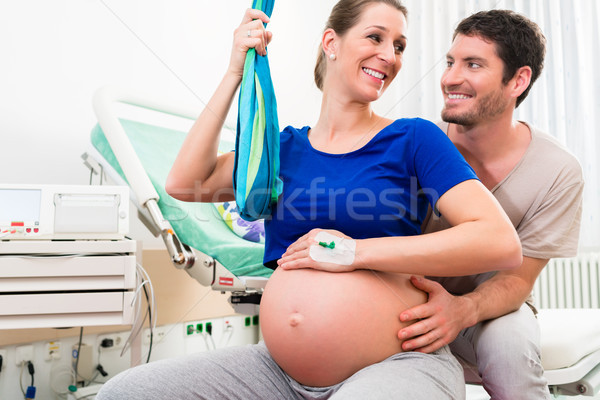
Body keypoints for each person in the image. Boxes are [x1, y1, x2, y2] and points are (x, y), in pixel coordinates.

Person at [97, 1, 522, 399]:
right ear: (331, 42)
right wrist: (234, 72)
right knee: (124, 393)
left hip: (398, 361)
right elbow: (186, 181)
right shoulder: (279, 151)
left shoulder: (413, 138)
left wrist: (351, 252)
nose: (390, 56)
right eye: (375, 38)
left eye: (399, 46)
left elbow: (498, 241)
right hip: (278, 372)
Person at [397, 10, 584, 400]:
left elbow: (517, 280)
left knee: (510, 351)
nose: (450, 77)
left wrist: (462, 311)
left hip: (488, 308)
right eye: (450, 62)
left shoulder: (557, 170)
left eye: (474, 64)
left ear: (518, 80)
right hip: (404, 300)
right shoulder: (412, 146)